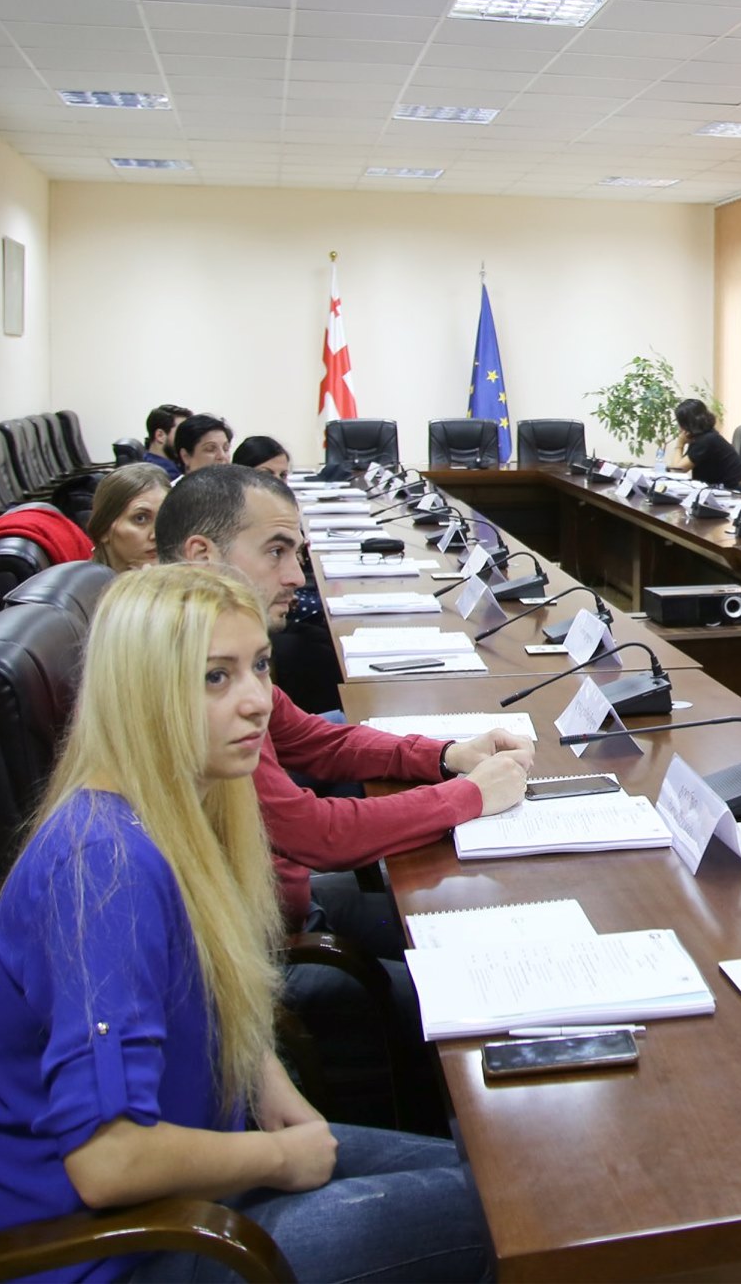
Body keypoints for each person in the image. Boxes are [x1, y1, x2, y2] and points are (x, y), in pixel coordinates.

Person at [0, 565, 489, 1282]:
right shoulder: (105, 867)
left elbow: (202, 984)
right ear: (142, 691)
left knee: (496, 1183)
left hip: (194, 1177)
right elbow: (108, 1159)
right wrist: (276, 1157)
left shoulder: (176, 807)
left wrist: (264, 1076)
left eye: (259, 666)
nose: (255, 701)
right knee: (504, 1220)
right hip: (115, 1249)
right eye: (214, 677)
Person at [157, 466, 532, 1123]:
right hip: (265, 954)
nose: (297, 576)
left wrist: (445, 755)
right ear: (202, 555)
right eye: (277, 551)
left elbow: (315, 741)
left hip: (287, 907)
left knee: (488, 927)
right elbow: (313, 832)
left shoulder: (220, 651)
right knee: (485, 999)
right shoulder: (186, 677)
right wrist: (469, 796)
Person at [85, 461, 170, 571]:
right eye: (140, 518)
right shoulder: (85, 582)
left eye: (165, 518)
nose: (157, 535)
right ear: (103, 529)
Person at [668, 398, 741, 488]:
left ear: (686, 424)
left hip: (731, 491)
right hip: (722, 488)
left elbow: (676, 472)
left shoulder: (706, 441)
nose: (679, 428)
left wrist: (680, 445)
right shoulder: (706, 437)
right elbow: (675, 470)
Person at [142, 403, 191, 479]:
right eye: (181, 432)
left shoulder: (144, 461)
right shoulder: (166, 475)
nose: (186, 439)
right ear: (160, 435)